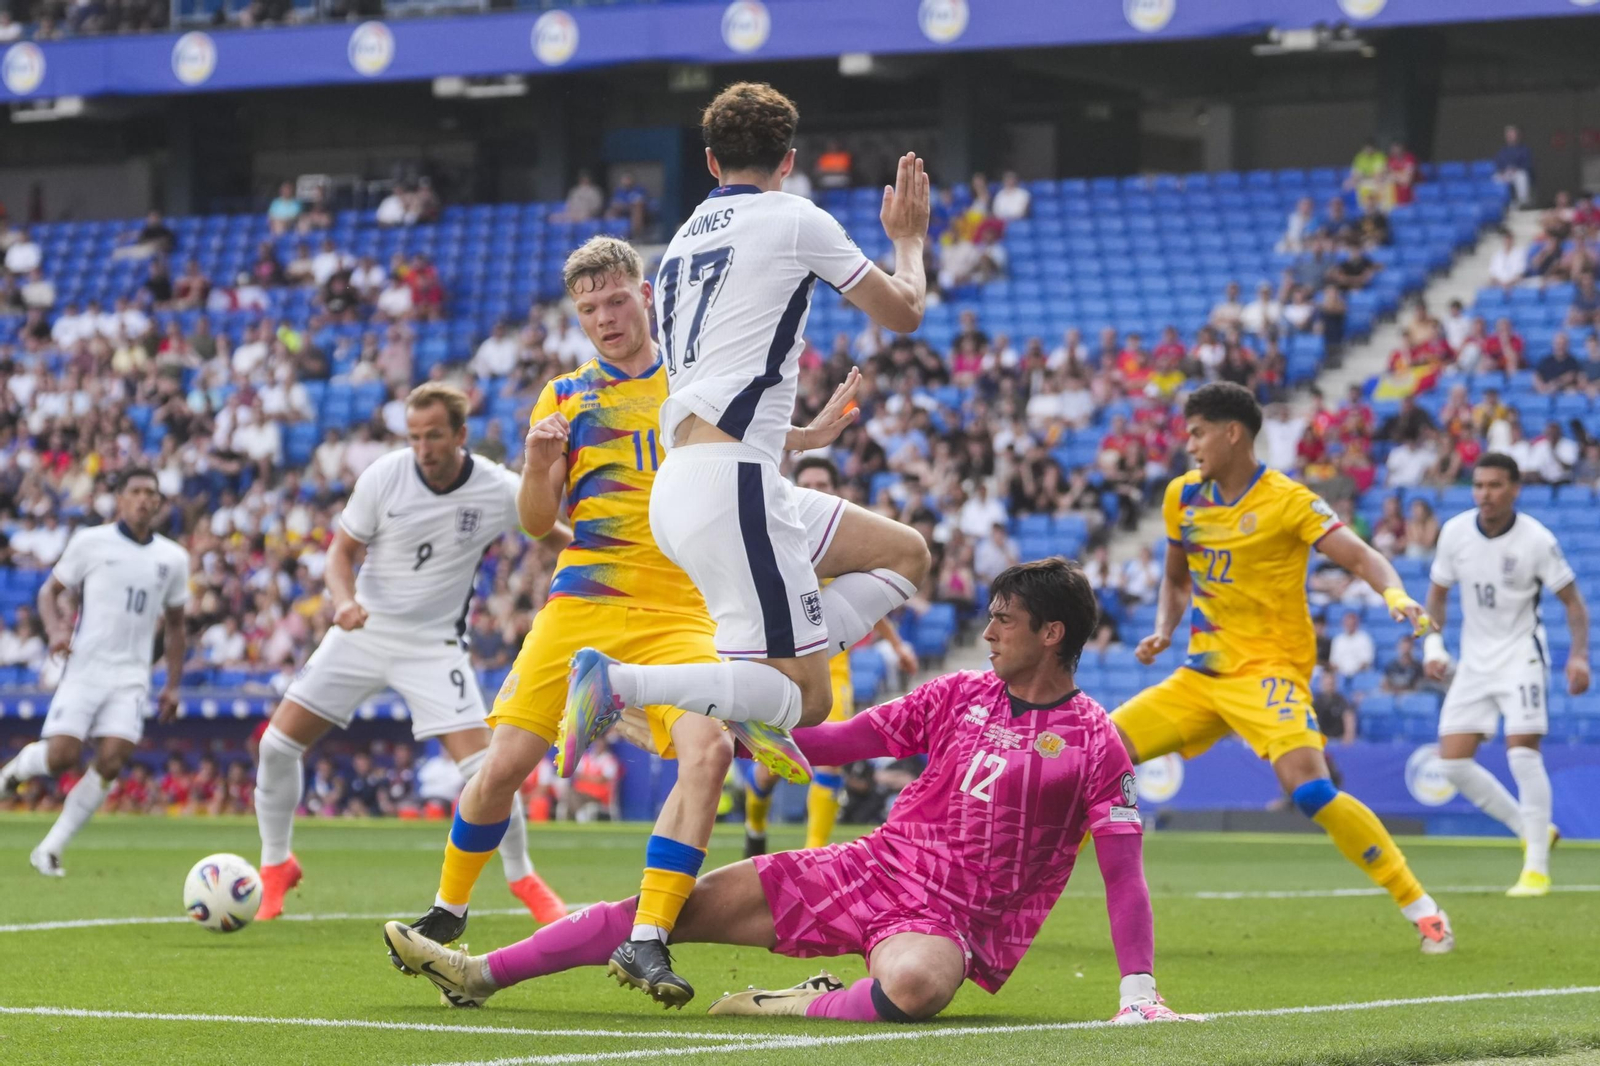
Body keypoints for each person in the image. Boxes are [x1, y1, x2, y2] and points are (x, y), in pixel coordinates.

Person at [385, 559, 1198, 1027]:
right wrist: (735, 721)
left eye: (1004, 620)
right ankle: (479, 971)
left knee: (915, 988)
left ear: (1051, 635)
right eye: (987, 618)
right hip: (871, 867)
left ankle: (786, 1004)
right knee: (668, 909)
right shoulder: (959, 694)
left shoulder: (1096, 740)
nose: (987, 632)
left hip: (949, 921)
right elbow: (842, 741)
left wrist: (1136, 992)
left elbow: (1122, 874)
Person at [396, 238, 862, 1005]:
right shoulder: (566, 397)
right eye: (588, 310)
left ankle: (648, 936)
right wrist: (542, 467)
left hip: (681, 609)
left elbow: (749, 453)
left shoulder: (695, 377)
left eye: (615, 301)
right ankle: (448, 912)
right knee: (502, 763)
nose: (605, 319)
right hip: (583, 603)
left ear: (644, 297)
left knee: (705, 751)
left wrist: (807, 437)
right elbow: (536, 518)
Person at [558, 85, 932, 838]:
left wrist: (791, 436)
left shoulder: (682, 241)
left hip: (704, 480)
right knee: (816, 700)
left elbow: (715, 383)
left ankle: (749, 701)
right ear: (789, 160)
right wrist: (910, 239)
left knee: (904, 554)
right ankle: (620, 682)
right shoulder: (794, 216)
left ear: (708, 161)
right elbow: (905, 312)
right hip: (733, 490)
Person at [1110, 382, 1453, 953]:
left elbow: (1363, 556)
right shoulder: (1182, 496)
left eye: (1197, 433)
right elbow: (1176, 576)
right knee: (1093, 756)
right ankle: (1014, 898)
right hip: (1200, 676)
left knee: (1311, 792)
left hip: (1269, 673)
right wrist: (1165, 629)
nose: (1189, 445)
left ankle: (1424, 911)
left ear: (1232, 432)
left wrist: (1395, 597)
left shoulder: (1289, 500)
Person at [250, 383, 566, 924]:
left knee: (489, 770)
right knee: (276, 747)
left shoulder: (496, 488)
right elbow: (341, 554)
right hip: (363, 630)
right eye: (415, 436)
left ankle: (523, 877)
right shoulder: (384, 475)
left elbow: (550, 532)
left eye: (435, 435)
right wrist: (344, 601)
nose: (424, 447)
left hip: (433, 645)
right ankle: (276, 866)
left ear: (460, 435)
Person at [0, 469, 189, 876]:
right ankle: (14, 771)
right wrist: (54, 630)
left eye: (151, 494)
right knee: (63, 756)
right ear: (119, 497)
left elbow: (176, 626)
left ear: (159, 502)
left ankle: (50, 849)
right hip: (86, 666)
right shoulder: (91, 542)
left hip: (132, 675)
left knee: (113, 758)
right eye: (136, 491)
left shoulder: (172, 559)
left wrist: (172, 685)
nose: (144, 499)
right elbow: (49, 591)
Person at [1423, 454, 1590, 897]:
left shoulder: (1537, 539)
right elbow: (1437, 596)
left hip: (1522, 657)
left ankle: (1536, 868)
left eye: (1495, 486)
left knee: (1521, 754)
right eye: (1478, 485)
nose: (1485, 494)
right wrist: (1433, 645)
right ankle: (1530, 827)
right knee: (1453, 763)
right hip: (1474, 661)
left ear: (1515, 489)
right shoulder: (1456, 532)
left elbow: (1573, 603)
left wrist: (1579, 657)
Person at [742, 456, 919, 859]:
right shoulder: (772, 531)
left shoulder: (847, 536)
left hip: (830, 665)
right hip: (777, 662)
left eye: (824, 484)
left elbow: (867, 597)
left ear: (836, 492)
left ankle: (813, 856)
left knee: (832, 757)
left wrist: (895, 645)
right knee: (771, 768)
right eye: (809, 484)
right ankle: (755, 825)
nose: (817, 491)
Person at [1493, 125, 1534, 208]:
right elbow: (1498, 165)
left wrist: (1515, 169)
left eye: (1512, 134)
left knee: (1521, 176)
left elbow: (1527, 165)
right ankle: (1499, 204)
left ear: (1517, 135)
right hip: (1505, 174)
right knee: (1495, 177)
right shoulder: (1502, 151)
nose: (1510, 136)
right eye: (1508, 134)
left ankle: (1523, 202)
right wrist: (1502, 172)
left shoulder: (1524, 150)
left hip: (1517, 173)